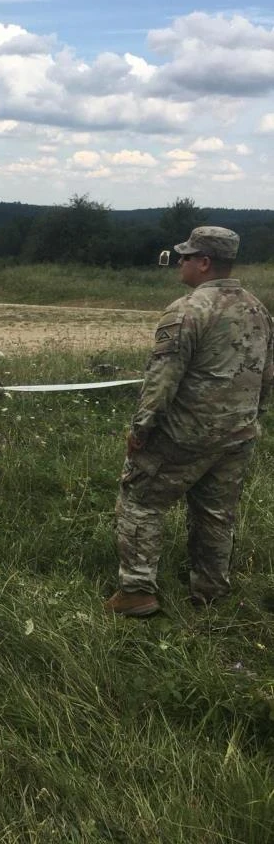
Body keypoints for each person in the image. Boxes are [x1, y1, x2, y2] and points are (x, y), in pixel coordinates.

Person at [105, 226, 274, 617]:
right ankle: (211, 590)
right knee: (216, 513)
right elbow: (267, 376)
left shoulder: (187, 310)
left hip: (186, 433)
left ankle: (136, 591)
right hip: (237, 434)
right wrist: (252, 418)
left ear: (205, 262)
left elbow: (162, 378)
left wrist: (141, 429)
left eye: (186, 256)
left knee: (139, 502)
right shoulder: (258, 309)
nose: (179, 262)